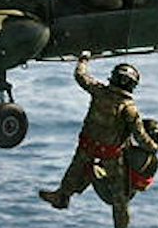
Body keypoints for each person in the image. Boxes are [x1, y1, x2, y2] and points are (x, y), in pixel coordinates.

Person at [39, 53, 143, 211]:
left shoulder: (99, 91)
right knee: (118, 193)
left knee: (73, 172)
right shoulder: (129, 108)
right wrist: (153, 146)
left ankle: (62, 196)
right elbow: (140, 135)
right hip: (110, 154)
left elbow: (80, 75)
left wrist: (83, 59)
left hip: (89, 146)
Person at [91, 116, 158, 228]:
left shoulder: (138, 156)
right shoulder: (152, 160)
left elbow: (119, 149)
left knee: (86, 163)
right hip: (125, 192)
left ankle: (64, 194)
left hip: (110, 191)